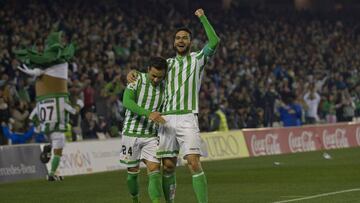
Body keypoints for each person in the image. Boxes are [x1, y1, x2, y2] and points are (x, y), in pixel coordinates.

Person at [128, 8, 219, 203]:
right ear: (173, 42)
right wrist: (134, 73)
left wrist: (202, 18)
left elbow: (214, 41)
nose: (181, 40)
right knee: (168, 166)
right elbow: (149, 75)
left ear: (190, 41)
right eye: (178, 38)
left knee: (193, 163)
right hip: (166, 119)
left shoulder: (197, 59)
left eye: (185, 38)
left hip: (187, 117)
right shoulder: (167, 64)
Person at [14, 30, 77, 181]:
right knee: (59, 146)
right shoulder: (60, 98)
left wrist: (35, 123)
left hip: (45, 123)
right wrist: (77, 105)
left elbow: (31, 116)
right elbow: (73, 110)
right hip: (55, 120)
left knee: (54, 142)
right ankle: (52, 173)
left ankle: (48, 148)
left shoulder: (41, 96)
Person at [120, 56, 167, 203]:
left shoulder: (165, 86)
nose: (156, 80)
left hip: (151, 135)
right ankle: (135, 200)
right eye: (153, 76)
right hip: (131, 133)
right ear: (147, 70)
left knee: (154, 170)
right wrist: (148, 114)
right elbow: (127, 101)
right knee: (132, 174)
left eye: (159, 77)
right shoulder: (137, 80)